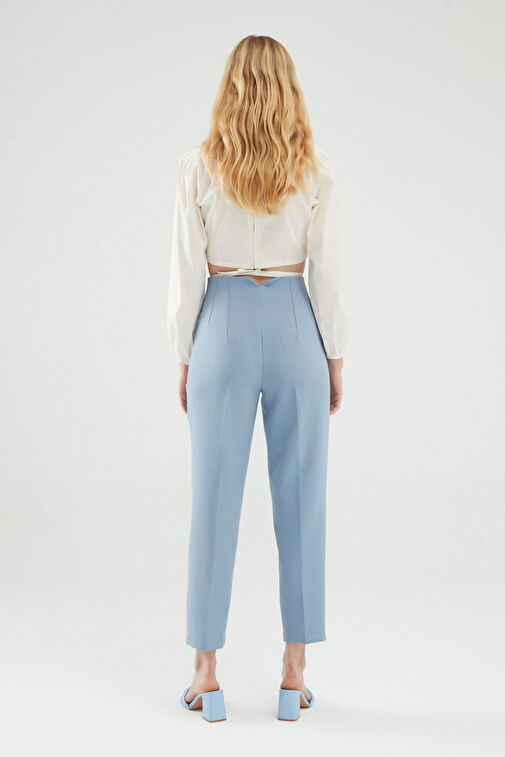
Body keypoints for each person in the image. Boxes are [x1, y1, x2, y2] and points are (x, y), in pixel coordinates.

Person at [167, 34, 350, 722]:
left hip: (222, 326)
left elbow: (185, 270)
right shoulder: (315, 170)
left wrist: (184, 355)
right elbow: (328, 272)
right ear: (287, 90)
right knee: (302, 500)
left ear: (231, 88)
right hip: (296, 324)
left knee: (212, 500)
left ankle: (206, 674)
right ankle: (293, 675)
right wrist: (334, 356)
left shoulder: (198, 166)